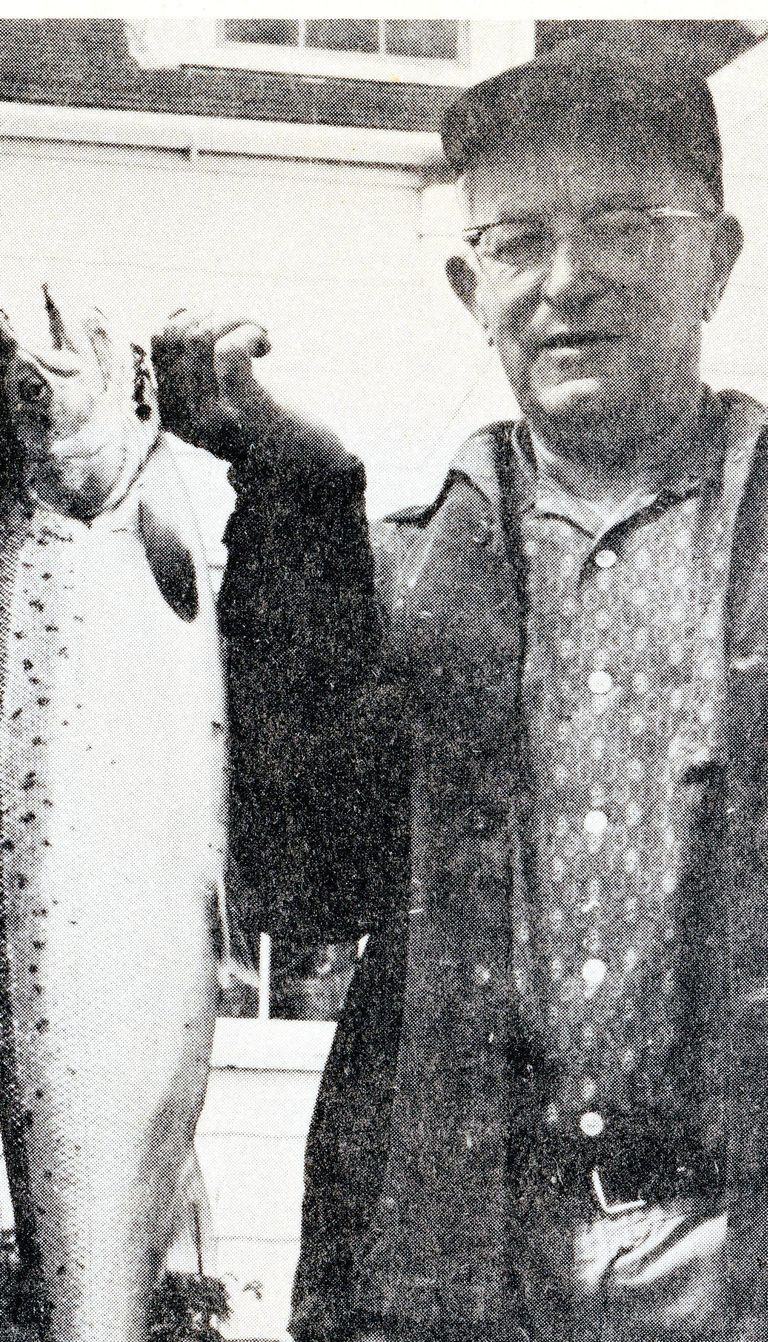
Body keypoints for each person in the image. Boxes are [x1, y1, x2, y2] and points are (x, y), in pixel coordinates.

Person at [152, 37, 768, 1342]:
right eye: (520, 238)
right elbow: (305, 886)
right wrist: (292, 499)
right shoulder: (401, 565)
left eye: (622, 223)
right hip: (468, 1270)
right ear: (465, 283)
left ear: (716, 256)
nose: (569, 277)